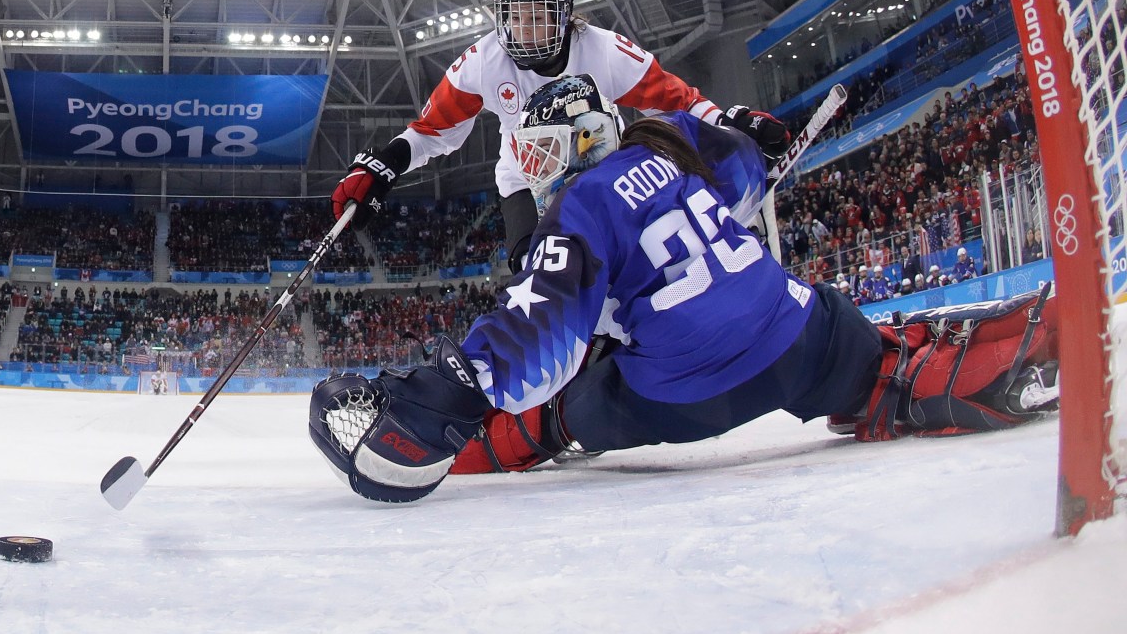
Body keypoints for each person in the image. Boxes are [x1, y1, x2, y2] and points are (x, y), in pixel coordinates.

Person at [310, 76, 1060, 503]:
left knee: (566, 400)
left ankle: (478, 446)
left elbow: (537, 333)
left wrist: (454, 386)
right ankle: (932, 374)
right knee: (854, 342)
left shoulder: (580, 208)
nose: (534, 166)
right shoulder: (677, 144)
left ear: (583, 140)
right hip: (798, 338)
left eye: (542, 147)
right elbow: (744, 169)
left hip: (685, 398)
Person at [329, 0, 789, 270]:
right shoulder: (485, 62)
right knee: (536, 274)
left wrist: (728, 126)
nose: (523, 29)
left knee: (631, 261)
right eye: (515, 16)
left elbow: (677, 100)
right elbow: (433, 129)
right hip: (526, 185)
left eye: (537, 16)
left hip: (607, 172)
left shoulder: (605, 52)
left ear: (566, 16)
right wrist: (384, 166)